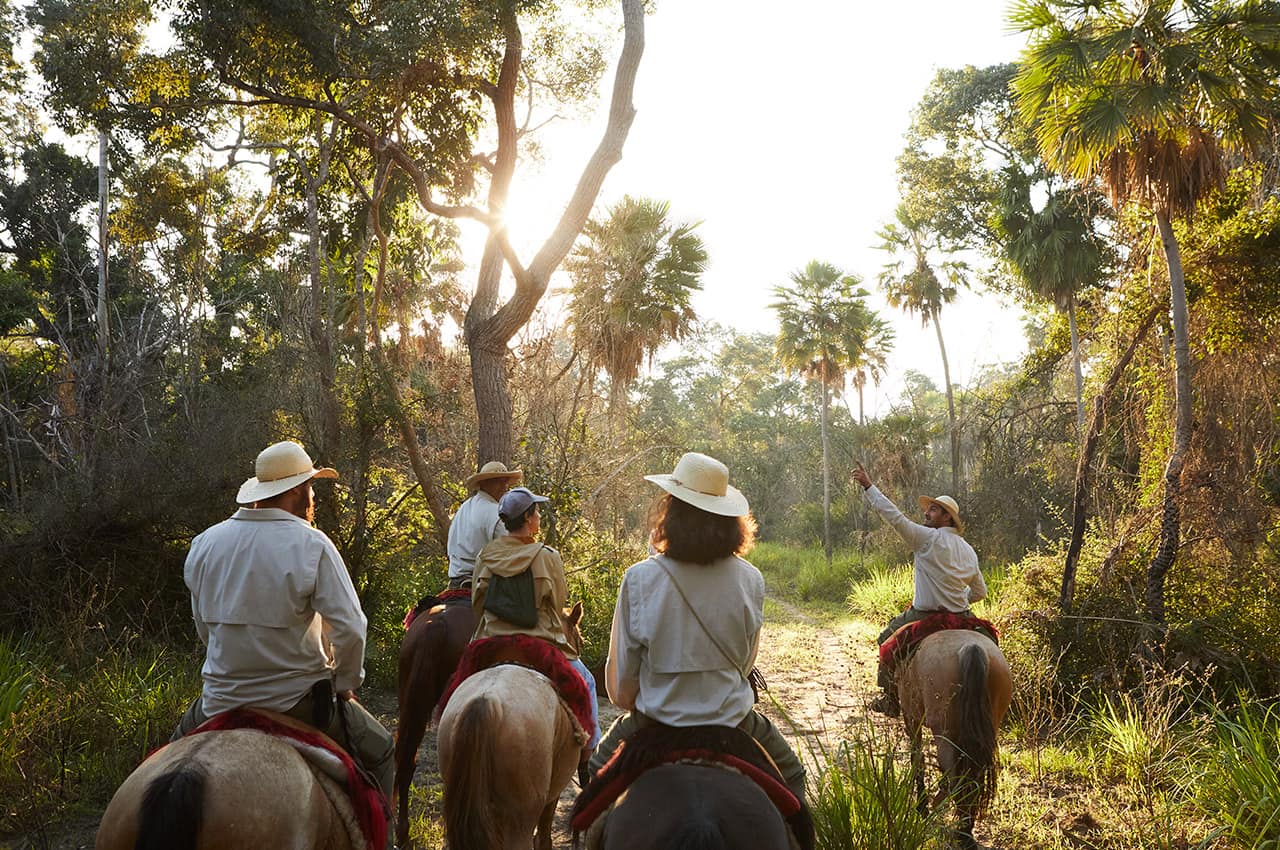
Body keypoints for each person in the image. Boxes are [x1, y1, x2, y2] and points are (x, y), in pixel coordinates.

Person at [171, 440, 395, 804]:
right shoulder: (313, 545)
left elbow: (204, 628)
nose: (313, 498)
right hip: (297, 702)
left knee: (167, 762)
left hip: (220, 700)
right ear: (296, 491)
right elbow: (352, 628)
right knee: (383, 751)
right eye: (310, 487)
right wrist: (345, 683)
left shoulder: (205, 544)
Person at [589, 452, 806, 802]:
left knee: (596, 769)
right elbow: (745, 665)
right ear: (729, 519)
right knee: (793, 777)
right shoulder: (751, 579)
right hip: (731, 721)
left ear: (670, 512)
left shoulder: (640, 578)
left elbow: (622, 687)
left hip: (656, 722)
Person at [470, 486, 601, 760]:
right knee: (586, 681)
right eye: (537, 511)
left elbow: (477, 603)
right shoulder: (547, 555)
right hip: (538, 644)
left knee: (460, 684)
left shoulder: (485, 555)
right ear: (529, 518)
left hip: (491, 643)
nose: (539, 516)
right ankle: (589, 751)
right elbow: (558, 601)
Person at [852, 461, 986, 717]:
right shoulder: (968, 550)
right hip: (962, 616)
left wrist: (869, 486)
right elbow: (980, 592)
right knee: (990, 643)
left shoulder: (926, 539)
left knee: (885, 640)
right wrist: (957, 600)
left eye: (933, 510)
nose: (927, 513)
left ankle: (890, 699)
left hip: (924, 615)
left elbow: (893, 516)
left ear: (947, 517)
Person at [446, 460, 523, 589]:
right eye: (498, 481)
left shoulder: (464, 507)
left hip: (455, 581)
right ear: (484, 483)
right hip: (481, 584)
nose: (505, 486)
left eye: (506, 481)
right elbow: (512, 555)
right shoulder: (496, 513)